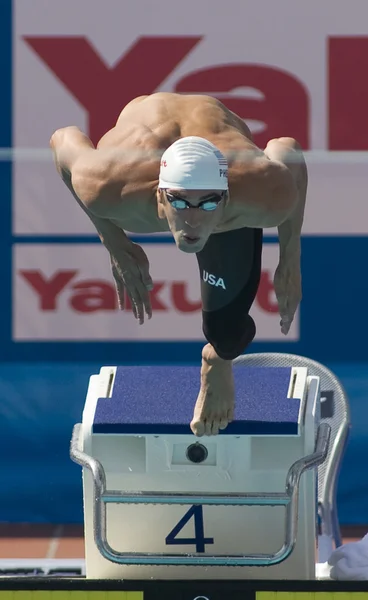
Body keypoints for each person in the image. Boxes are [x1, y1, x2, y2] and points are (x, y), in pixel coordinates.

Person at [50, 92, 307, 437]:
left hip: (223, 147)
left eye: (207, 203)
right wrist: (113, 240)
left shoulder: (261, 192)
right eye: (181, 204)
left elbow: (287, 150)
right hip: (144, 129)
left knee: (226, 334)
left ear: (226, 196)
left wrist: (290, 259)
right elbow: (62, 139)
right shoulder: (107, 187)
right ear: (160, 194)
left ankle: (216, 362)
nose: (194, 220)